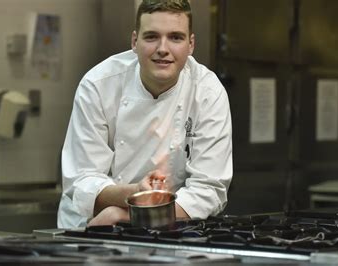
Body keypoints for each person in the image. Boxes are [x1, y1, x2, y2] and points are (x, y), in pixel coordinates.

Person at [58, 0, 232, 228]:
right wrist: (134, 194)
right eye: (151, 37)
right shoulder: (99, 85)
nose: (163, 48)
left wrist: (128, 216)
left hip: (170, 229)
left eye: (175, 37)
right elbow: (81, 180)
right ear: (134, 41)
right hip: (93, 226)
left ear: (191, 45)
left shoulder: (208, 92)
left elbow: (209, 189)